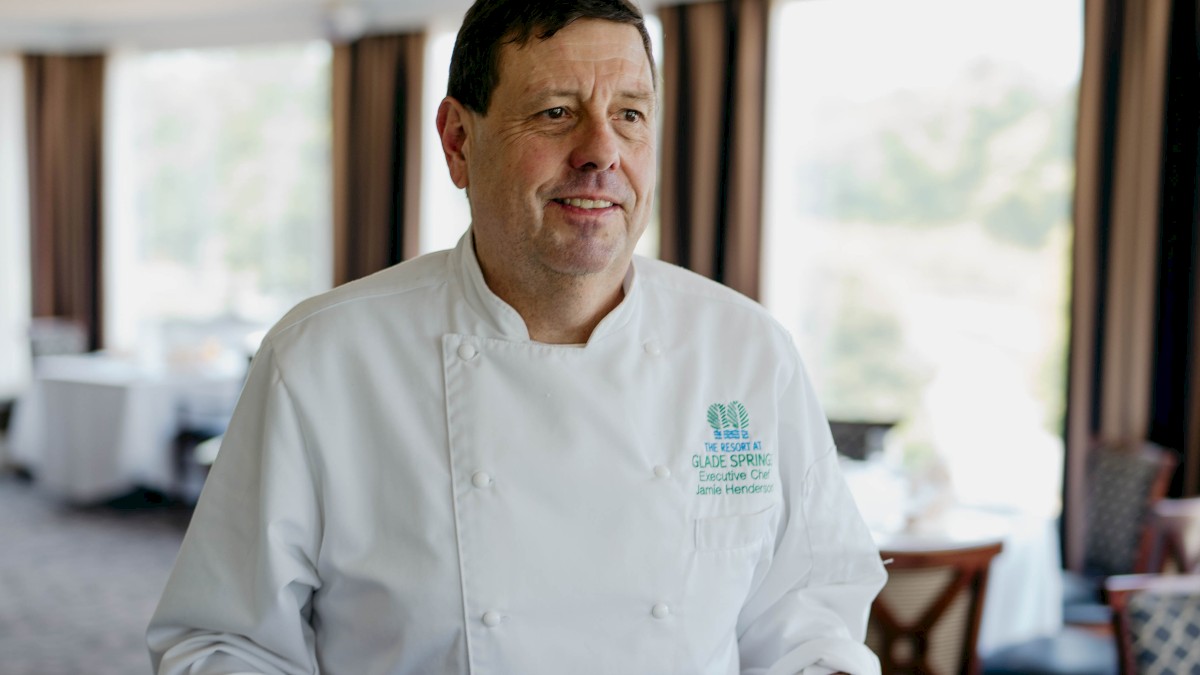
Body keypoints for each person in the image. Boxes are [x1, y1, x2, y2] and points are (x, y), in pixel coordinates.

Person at [147, 0, 887, 673]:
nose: (602, 151)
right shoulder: (321, 360)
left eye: (630, 113)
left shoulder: (748, 352)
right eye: (557, 112)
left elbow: (807, 621)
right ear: (458, 141)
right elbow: (223, 643)